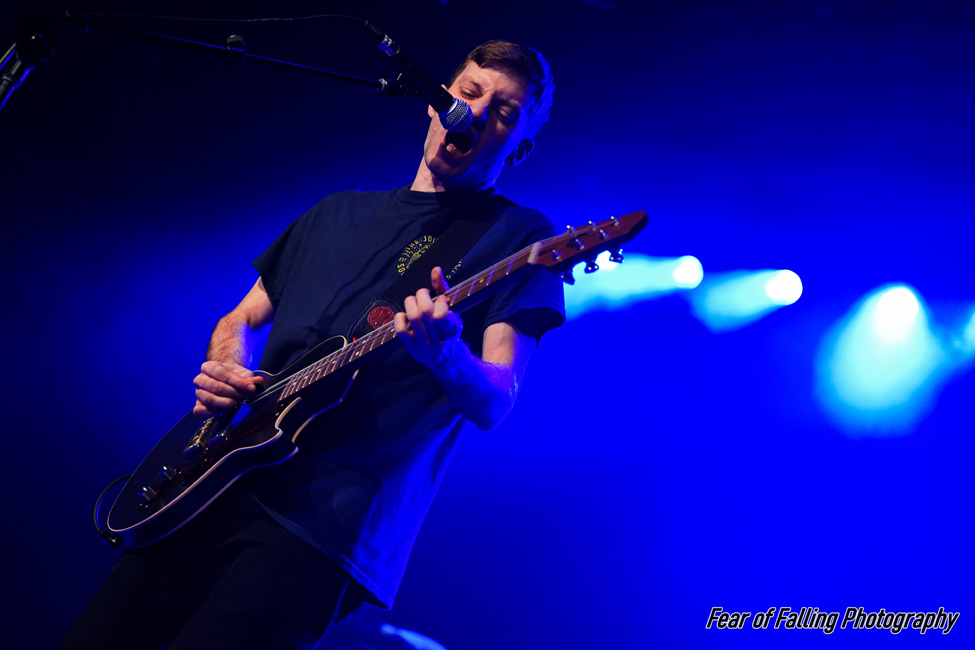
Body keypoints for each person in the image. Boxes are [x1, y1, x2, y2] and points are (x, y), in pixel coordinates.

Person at [60, 40, 563, 650]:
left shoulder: (520, 237)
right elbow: (240, 318)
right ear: (435, 104)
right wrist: (225, 367)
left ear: (521, 147)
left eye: (505, 113)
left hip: (322, 525)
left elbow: (496, 400)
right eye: (468, 94)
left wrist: (446, 354)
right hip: (210, 475)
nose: (477, 115)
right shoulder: (336, 212)